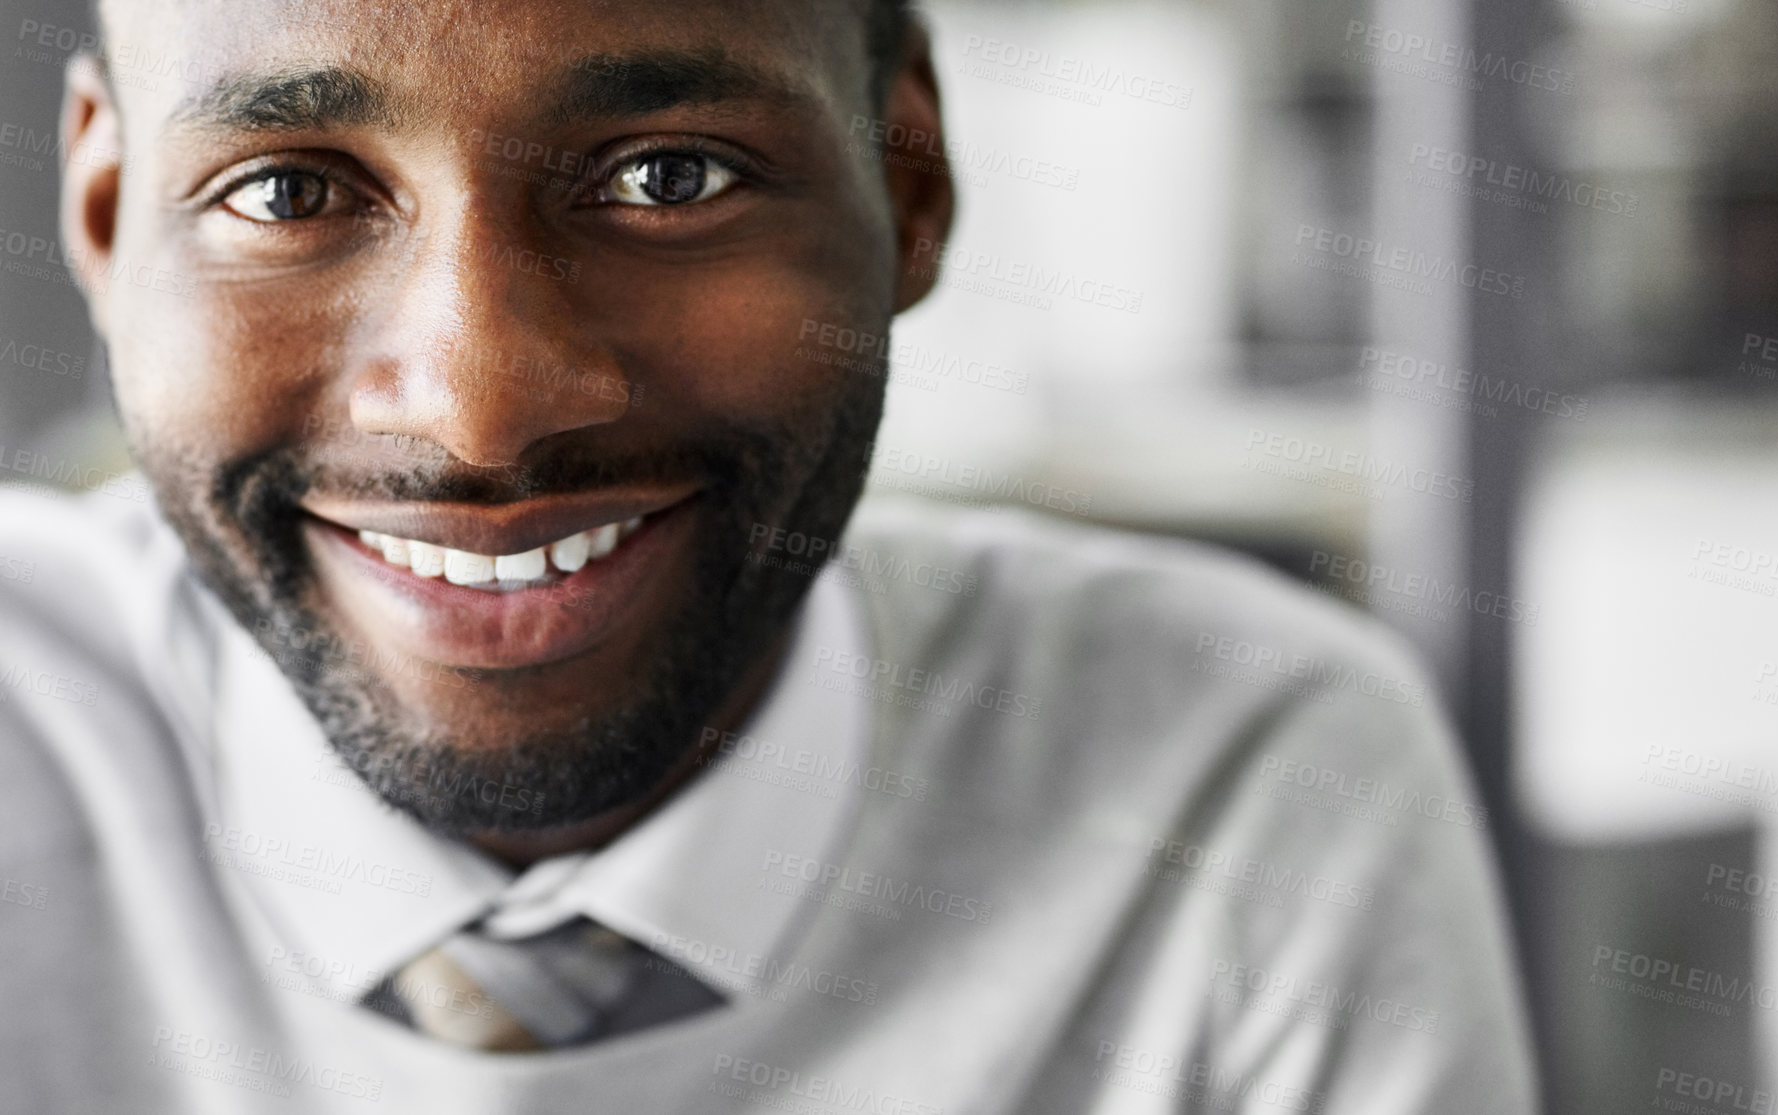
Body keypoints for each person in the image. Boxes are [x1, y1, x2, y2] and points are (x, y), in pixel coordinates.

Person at [0, 0, 1537, 1109]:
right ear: (110, 216)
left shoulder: (1239, 780)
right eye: (287, 191)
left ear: (909, 187)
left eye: (671, 175)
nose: (482, 414)